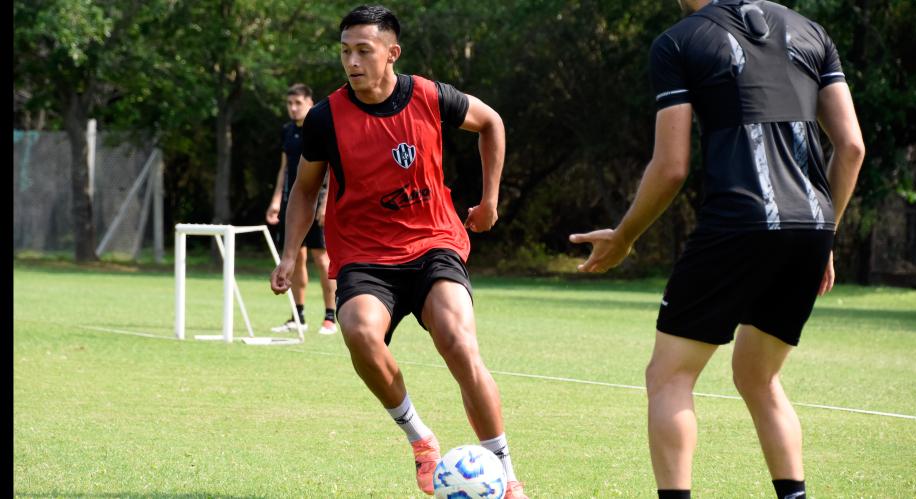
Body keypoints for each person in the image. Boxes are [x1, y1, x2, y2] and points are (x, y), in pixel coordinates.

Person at [570, 1, 864, 498]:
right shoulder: (811, 30)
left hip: (738, 223)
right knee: (758, 376)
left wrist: (624, 237)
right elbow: (852, 147)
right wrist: (826, 233)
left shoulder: (679, 41)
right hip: (812, 226)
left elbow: (671, 166)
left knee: (669, 377)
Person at [270, 6, 528, 498]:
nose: (352, 61)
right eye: (345, 51)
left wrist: (491, 201)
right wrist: (290, 254)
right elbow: (305, 189)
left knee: (457, 338)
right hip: (366, 255)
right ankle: (420, 440)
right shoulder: (325, 117)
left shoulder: (429, 96)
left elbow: (491, 122)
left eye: (364, 50)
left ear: (392, 53)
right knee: (360, 332)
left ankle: (506, 472)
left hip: (434, 241)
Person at [266, 83, 338, 336]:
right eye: (290, 104)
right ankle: (298, 316)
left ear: (310, 102)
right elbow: (284, 170)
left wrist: (326, 202)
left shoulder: (319, 127)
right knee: (296, 257)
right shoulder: (287, 131)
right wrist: (276, 200)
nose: (293, 108)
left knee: (322, 259)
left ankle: (330, 317)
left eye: (298, 103)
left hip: (318, 202)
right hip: (293, 202)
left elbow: (332, 167)